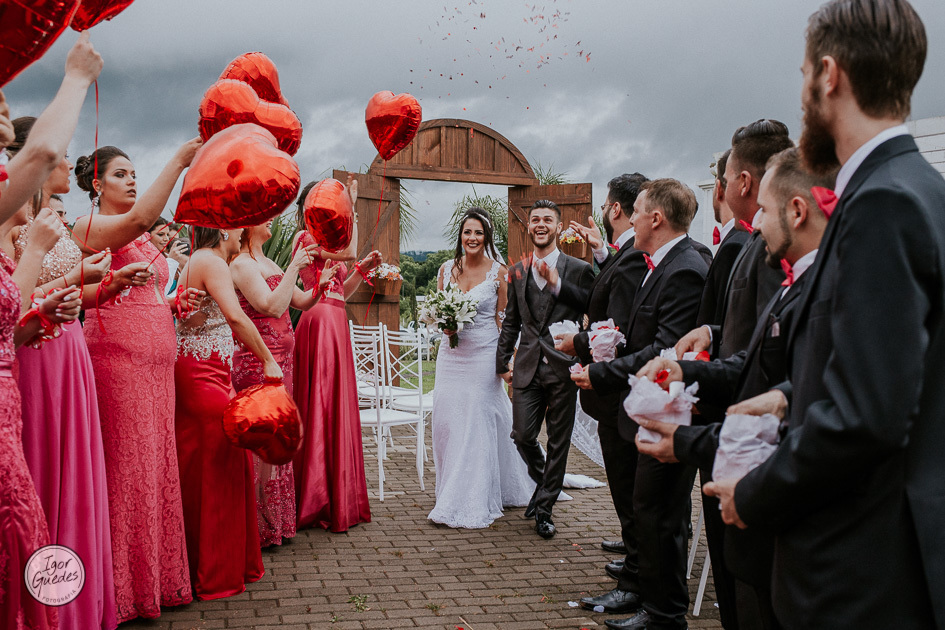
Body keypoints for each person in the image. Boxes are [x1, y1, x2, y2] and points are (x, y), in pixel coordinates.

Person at [707, 1, 945, 628]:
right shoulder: (922, 190)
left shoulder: (882, 203)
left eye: (805, 73)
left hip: (857, 571)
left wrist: (754, 493)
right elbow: (894, 370)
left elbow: (864, 417)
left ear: (830, 76)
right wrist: (786, 394)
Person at [635, 148, 835, 630]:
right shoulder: (793, 282)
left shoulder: (826, 291)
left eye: (764, 211)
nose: (755, 224)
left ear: (798, 211)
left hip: (777, 484)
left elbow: (816, 404)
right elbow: (755, 357)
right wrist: (690, 368)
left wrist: (683, 442)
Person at [75, 137, 203, 623]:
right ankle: (119, 592)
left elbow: (144, 290)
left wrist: (171, 305)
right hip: (118, 364)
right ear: (96, 184)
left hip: (156, 369)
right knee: (127, 472)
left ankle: (158, 583)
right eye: (121, 175)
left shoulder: (147, 243)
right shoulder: (87, 225)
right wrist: (177, 160)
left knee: (155, 470)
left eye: (134, 174)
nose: (131, 181)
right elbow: (138, 222)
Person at [570, 179, 708, 630]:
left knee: (661, 517)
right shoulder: (657, 264)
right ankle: (648, 598)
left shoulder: (685, 267)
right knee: (649, 511)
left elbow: (665, 350)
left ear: (655, 218)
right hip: (644, 404)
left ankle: (664, 613)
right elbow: (639, 331)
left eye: (638, 210)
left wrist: (601, 372)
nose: (629, 217)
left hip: (665, 411)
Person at [5, 113, 120, 630]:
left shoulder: (50, 215)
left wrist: (96, 286)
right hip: (33, 361)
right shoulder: (15, 224)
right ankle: (50, 604)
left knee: (74, 474)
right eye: (56, 150)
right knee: (44, 478)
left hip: (68, 350)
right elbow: (13, 306)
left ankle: (79, 602)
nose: (64, 161)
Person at [175, 226, 283, 599]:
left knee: (209, 466)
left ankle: (212, 563)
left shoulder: (199, 261)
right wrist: (268, 359)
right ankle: (214, 571)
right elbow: (236, 318)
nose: (243, 231)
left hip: (209, 373)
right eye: (238, 224)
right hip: (204, 378)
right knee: (215, 471)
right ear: (223, 229)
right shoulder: (212, 262)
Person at [555, 173, 649, 603]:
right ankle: (634, 554)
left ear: (613, 208)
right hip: (612, 389)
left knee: (631, 489)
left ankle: (637, 574)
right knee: (628, 490)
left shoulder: (632, 256)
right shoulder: (622, 252)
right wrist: (598, 251)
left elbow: (619, 321)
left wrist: (578, 341)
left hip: (617, 391)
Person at [428, 208, 536, 528]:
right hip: (451, 355)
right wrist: (445, 326)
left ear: (486, 238)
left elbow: (505, 321)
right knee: (448, 420)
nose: (472, 238)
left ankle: (469, 497)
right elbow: (439, 311)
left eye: (478, 233)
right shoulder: (446, 269)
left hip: (484, 355)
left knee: (474, 419)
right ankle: (451, 488)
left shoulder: (499, 272)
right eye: (467, 233)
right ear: (460, 237)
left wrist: (507, 360)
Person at [229, 219, 331, 546]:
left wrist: (321, 286)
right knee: (263, 439)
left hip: (283, 363)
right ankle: (258, 527)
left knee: (278, 435)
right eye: (263, 216)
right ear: (246, 226)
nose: (271, 218)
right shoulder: (242, 265)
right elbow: (270, 305)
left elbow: (298, 302)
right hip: (259, 362)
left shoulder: (268, 262)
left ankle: (278, 523)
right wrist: (294, 267)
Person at [497, 199, 594, 539]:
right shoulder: (517, 271)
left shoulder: (579, 269)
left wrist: (582, 351)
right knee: (522, 436)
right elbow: (511, 323)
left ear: (557, 226)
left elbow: (592, 310)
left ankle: (545, 508)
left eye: (547, 220)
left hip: (563, 366)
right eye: (535, 219)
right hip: (525, 365)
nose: (540, 224)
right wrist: (501, 363)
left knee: (558, 442)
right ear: (529, 227)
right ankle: (543, 487)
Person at [292, 175, 381, 532]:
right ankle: (313, 496)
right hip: (318, 321)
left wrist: (361, 271)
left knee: (335, 405)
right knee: (318, 404)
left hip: (336, 318)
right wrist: (354, 209)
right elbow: (347, 252)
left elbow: (340, 288)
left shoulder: (328, 243)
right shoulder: (304, 239)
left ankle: (334, 492)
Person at [149, 216, 189, 297]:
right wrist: (171, 261)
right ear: (147, 234)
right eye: (161, 235)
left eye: (167, 235)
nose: (166, 239)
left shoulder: (165, 257)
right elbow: (159, 291)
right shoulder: (144, 259)